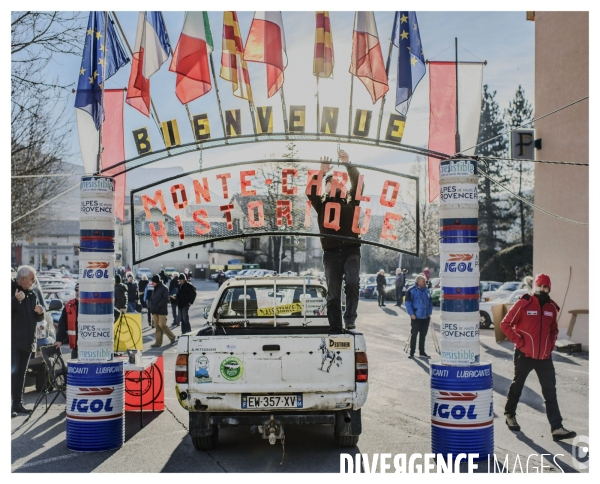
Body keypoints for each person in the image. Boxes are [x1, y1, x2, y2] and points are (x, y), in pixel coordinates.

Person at [500, 273, 577, 441]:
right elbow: (505, 324)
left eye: (545, 286)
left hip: (544, 357)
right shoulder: (523, 303)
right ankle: (509, 414)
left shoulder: (551, 308)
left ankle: (557, 427)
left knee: (550, 392)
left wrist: (550, 345)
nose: (542, 289)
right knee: (517, 386)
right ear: (535, 286)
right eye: (539, 286)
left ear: (549, 288)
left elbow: (554, 330)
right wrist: (519, 342)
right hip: (524, 355)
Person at [306, 149, 361, 333]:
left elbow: (359, 184)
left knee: (352, 282)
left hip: (351, 250)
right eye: (328, 183)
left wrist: (347, 162)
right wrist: (321, 171)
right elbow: (311, 192)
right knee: (333, 293)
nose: (333, 185)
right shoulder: (321, 204)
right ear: (326, 187)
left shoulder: (351, 202)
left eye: (336, 182)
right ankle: (336, 327)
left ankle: (350, 319)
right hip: (330, 253)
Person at [11, 265, 45, 416]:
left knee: (21, 374)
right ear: (23, 279)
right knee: (11, 373)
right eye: (32, 279)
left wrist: (41, 313)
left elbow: (37, 317)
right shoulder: (10, 289)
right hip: (12, 342)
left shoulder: (32, 294)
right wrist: (15, 300)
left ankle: (17, 404)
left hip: (27, 341)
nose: (34, 281)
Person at [404, 273, 433, 359]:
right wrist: (411, 314)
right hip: (416, 316)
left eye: (425, 281)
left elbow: (430, 302)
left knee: (423, 335)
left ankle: (422, 352)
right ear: (418, 281)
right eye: (423, 280)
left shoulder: (427, 290)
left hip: (425, 316)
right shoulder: (411, 290)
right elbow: (408, 303)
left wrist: (429, 312)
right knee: (414, 335)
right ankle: (412, 352)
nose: (425, 282)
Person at [147, 275, 176, 347]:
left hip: (161, 310)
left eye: (153, 282)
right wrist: (151, 307)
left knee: (162, 325)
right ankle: (158, 342)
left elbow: (165, 299)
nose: (152, 283)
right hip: (154, 310)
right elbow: (152, 299)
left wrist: (157, 306)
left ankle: (172, 337)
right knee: (157, 326)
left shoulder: (164, 288)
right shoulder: (154, 288)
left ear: (157, 281)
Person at [55, 284, 79, 359]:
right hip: (76, 348)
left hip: (92, 349)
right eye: (77, 290)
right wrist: (59, 340)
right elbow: (62, 324)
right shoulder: (69, 306)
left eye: (81, 290)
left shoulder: (94, 305)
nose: (78, 292)